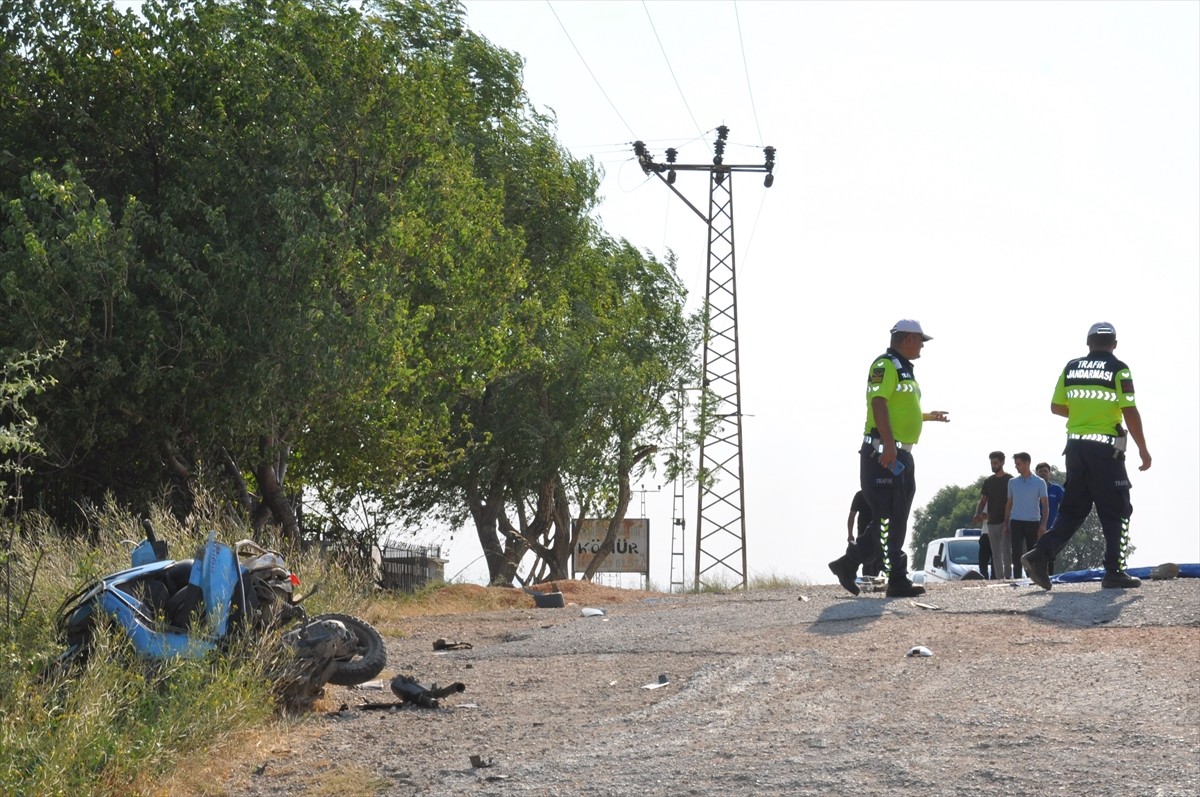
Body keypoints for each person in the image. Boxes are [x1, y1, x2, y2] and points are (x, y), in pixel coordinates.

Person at [1022, 322, 1152, 591]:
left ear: (1088, 343)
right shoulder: (1119, 369)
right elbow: (1129, 410)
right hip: (1105, 451)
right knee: (1118, 510)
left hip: (1075, 449)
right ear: (1114, 344)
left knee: (1073, 510)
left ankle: (1039, 554)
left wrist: (1083, 416)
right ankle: (1115, 571)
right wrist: (1143, 448)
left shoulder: (1072, 367)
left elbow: (1056, 406)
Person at [829, 319, 950, 597]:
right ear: (908, 338)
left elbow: (899, 409)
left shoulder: (905, 369)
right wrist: (887, 444)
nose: (922, 346)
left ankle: (850, 564)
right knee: (886, 519)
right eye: (921, 340)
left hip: (900, 454)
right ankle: (894, 577)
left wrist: (928, 416)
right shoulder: (885, 365)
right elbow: (879, 402)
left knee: (894, 519)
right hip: (883, 453)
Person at [1004, 453, 1048, 577]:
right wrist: (1006, 523)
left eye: (1018, 464)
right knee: (1016, 553)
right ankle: (1017, 578)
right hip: (1016, 521)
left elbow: (1045, 504)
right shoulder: (1012, 482)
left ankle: (1033, 578)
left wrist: (1043, 525)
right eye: (1015, 464)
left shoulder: (1039, 482)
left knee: (1032, 552)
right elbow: (1009, 503)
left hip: (1033, 521)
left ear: (1027, 463)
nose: (1016, 467)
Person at [972, 452, 1012, 579]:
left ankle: (1008, 577)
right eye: (991, 463)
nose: (993, 465)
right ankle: (1000, 579)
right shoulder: (988, 481)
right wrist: (977, 514)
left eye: (995, 463)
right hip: (992, 522)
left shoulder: (1010, 480)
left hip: (1006, 520)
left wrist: (1008, 521)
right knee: (995, 554)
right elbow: (983, 500)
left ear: (1002, 462)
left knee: (1006, 551)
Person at [1035, 461, 1065, 573]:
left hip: (1051, 527)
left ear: (1049, 474)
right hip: (1033, 526)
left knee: (1050, 555)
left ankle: (1050, 577)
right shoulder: (1032, 488)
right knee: (1034, 552)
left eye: (1045, 471)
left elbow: (1065, 506)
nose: (1043, 473)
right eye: (1040, 471)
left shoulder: (1056, 489)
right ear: (1036, 473)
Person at [845, 490, 882, 578]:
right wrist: (850, 534)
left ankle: (874, 578)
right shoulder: (860, 495)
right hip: (863, 532)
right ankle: (867, 579)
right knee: (866, 558)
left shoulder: (881, 494)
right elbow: (852, 515)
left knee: (878, 557)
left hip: (878, 530)